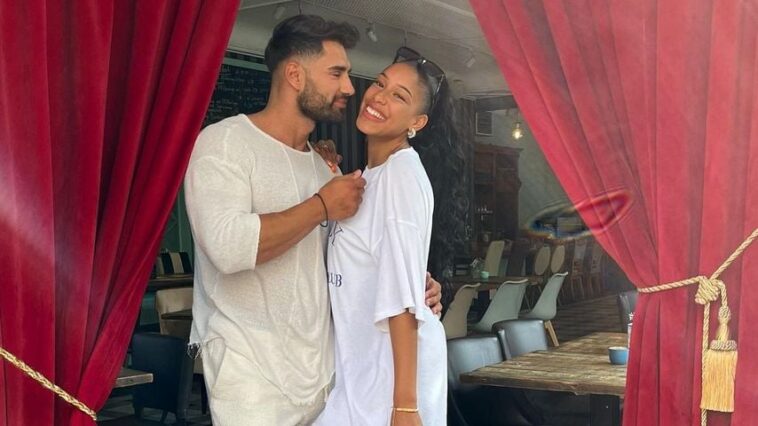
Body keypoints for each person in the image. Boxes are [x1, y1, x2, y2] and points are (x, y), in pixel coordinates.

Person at [184, 15, 443, 425]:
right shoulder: (225, 143)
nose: (350, 88)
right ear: (295, 75)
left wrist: (414, 285)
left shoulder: (325, 170)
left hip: (327, 382)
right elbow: (228, 249)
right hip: (252, 381)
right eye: (337, 73)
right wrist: (320, 206)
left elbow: (343, 262)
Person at [315, 47, 467, 426]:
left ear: (418, 121)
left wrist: (405, 407)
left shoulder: (400, 176)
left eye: (399, 95)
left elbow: (401, 300)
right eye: (380, 83)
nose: (379, 97)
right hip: (365, 367)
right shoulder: (370, 177)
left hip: (393, 374)